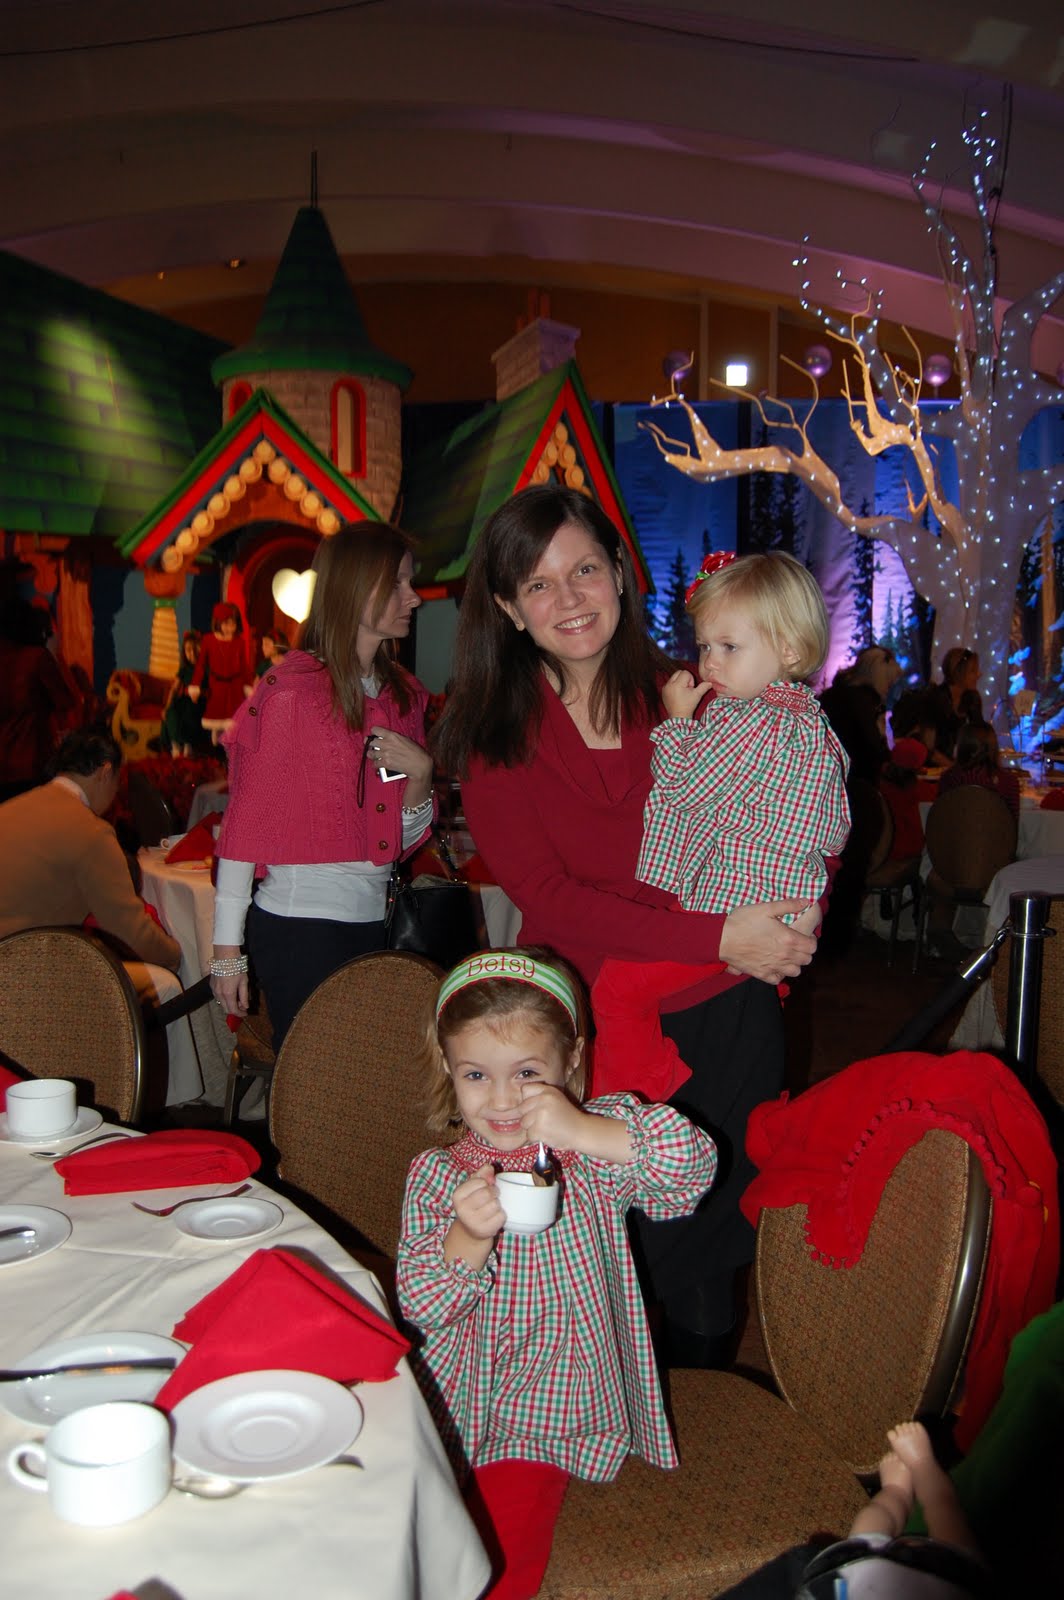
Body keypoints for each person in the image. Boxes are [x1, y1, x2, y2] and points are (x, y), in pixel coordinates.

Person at [431, 484, 819, 1368]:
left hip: (726, 1007)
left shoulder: (696, 693)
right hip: (596, 1027)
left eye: (585, 570)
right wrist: (720, 934)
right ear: (506, 607)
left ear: (619, 576)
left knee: (712, 1246)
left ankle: (701, 1446)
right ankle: (603, 1421)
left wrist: (798, 908)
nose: (568, 598)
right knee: (610, 1235)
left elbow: (794, 798)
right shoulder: (493, 733)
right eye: (537, 584)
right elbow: (552, 897)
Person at [396, 948, 718, 1600]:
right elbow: (421, 1304)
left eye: (529, 1073)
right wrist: (468, 1235)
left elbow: (693, 1169)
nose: (504, 1098)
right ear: (449, 1073)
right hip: (463, 1403)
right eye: (477, 1075)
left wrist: (589, 1130)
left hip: (556, 1409)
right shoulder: (438, 1175)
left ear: (572, 1060)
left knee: (495, 1563)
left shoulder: (593, 1153)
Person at [591, 551, 849, 1099]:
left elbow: (684, 789)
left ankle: (631, 1108)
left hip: (729, 908)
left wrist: (679, 722)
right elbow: (833, 830)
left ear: (789, 649)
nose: (709, 665)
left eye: (729, 647)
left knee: (615, 989)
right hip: (772, 907)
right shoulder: (810, 722)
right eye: (705, 646)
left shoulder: (750, 721)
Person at [208, 523, 434, 1048]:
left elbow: (397, 839)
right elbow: (246, 828)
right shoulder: (293, 694)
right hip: (298, 926)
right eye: (398, 583)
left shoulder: (399, 696)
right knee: (320, 1094)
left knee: (364, 1089)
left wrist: (420, 775)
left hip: (373, 924)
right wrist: (226, 951)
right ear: (356, 586)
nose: (414, 598)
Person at [0, 729, 204, 1103]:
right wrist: (177, 955)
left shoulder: (12, 808)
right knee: (168, 983)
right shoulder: (90, 831)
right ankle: (171, 1104)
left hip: (12, 963)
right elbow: (129, 932)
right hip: (27, 975)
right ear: (105, 771)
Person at [716, 1421, 991, 1598]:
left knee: (869, 1531)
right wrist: (921, 1462)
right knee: (944, 1519)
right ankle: (909, 1479)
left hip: (843, 1583)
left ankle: (898, 1490)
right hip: (944, 1580)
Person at [818, 643, 901, 784]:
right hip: (855, 784)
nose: (889, 688)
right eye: (889, 683)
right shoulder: (865, 704)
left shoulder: (833, 695)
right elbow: (871, 746)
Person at [188, 601, 251, 734]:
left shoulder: (239, 641)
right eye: (226, 624)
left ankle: (231, 744)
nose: (230, 628)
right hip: (217, 685)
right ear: (218, 622)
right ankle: (216, 736)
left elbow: (244, 666)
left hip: (235, 685)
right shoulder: (209, 640)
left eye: (233, 624)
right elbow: (200, 665)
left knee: (235, 719)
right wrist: (195, 686)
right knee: (216, 714)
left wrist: (248, 686)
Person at [938, 723, 1021, 820]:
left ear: (962, 747)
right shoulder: (1009, 782)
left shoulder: (949, 778)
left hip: (956, 834)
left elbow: (941, 819)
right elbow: (1013, 825)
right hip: (995, 834)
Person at [925, 647, 986, 763]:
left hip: (953, 766)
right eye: (973, 671)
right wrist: (954, 768)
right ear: (959, 673)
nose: (979, 674)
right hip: (930, 767)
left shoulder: (972, 698)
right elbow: (927, 746)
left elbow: (979, 736)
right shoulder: (935, 698)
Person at [161, 630, 206, 756]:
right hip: (184, 700)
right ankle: (175, 745)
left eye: (195, 649)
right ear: (184, 653)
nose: (192, 653)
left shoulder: (206, 668)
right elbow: (174, 689)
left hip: (199, 701)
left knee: (190, 712)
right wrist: (167, 706)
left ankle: (187, 744)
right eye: (188, 650)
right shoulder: (184, 669)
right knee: (172, 711)